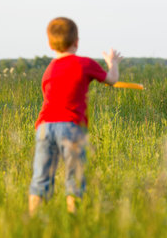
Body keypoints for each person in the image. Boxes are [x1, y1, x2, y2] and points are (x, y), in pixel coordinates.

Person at [29, 17, 122, 216]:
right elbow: (112, 79)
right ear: (77, 42)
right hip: (71, 127)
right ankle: (74, 218)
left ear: (50, 43)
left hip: (44, 126)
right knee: (74, 178)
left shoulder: (49, 70)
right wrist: (112, 62)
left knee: (41, 178)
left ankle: (33, 220)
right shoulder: (84, 63)